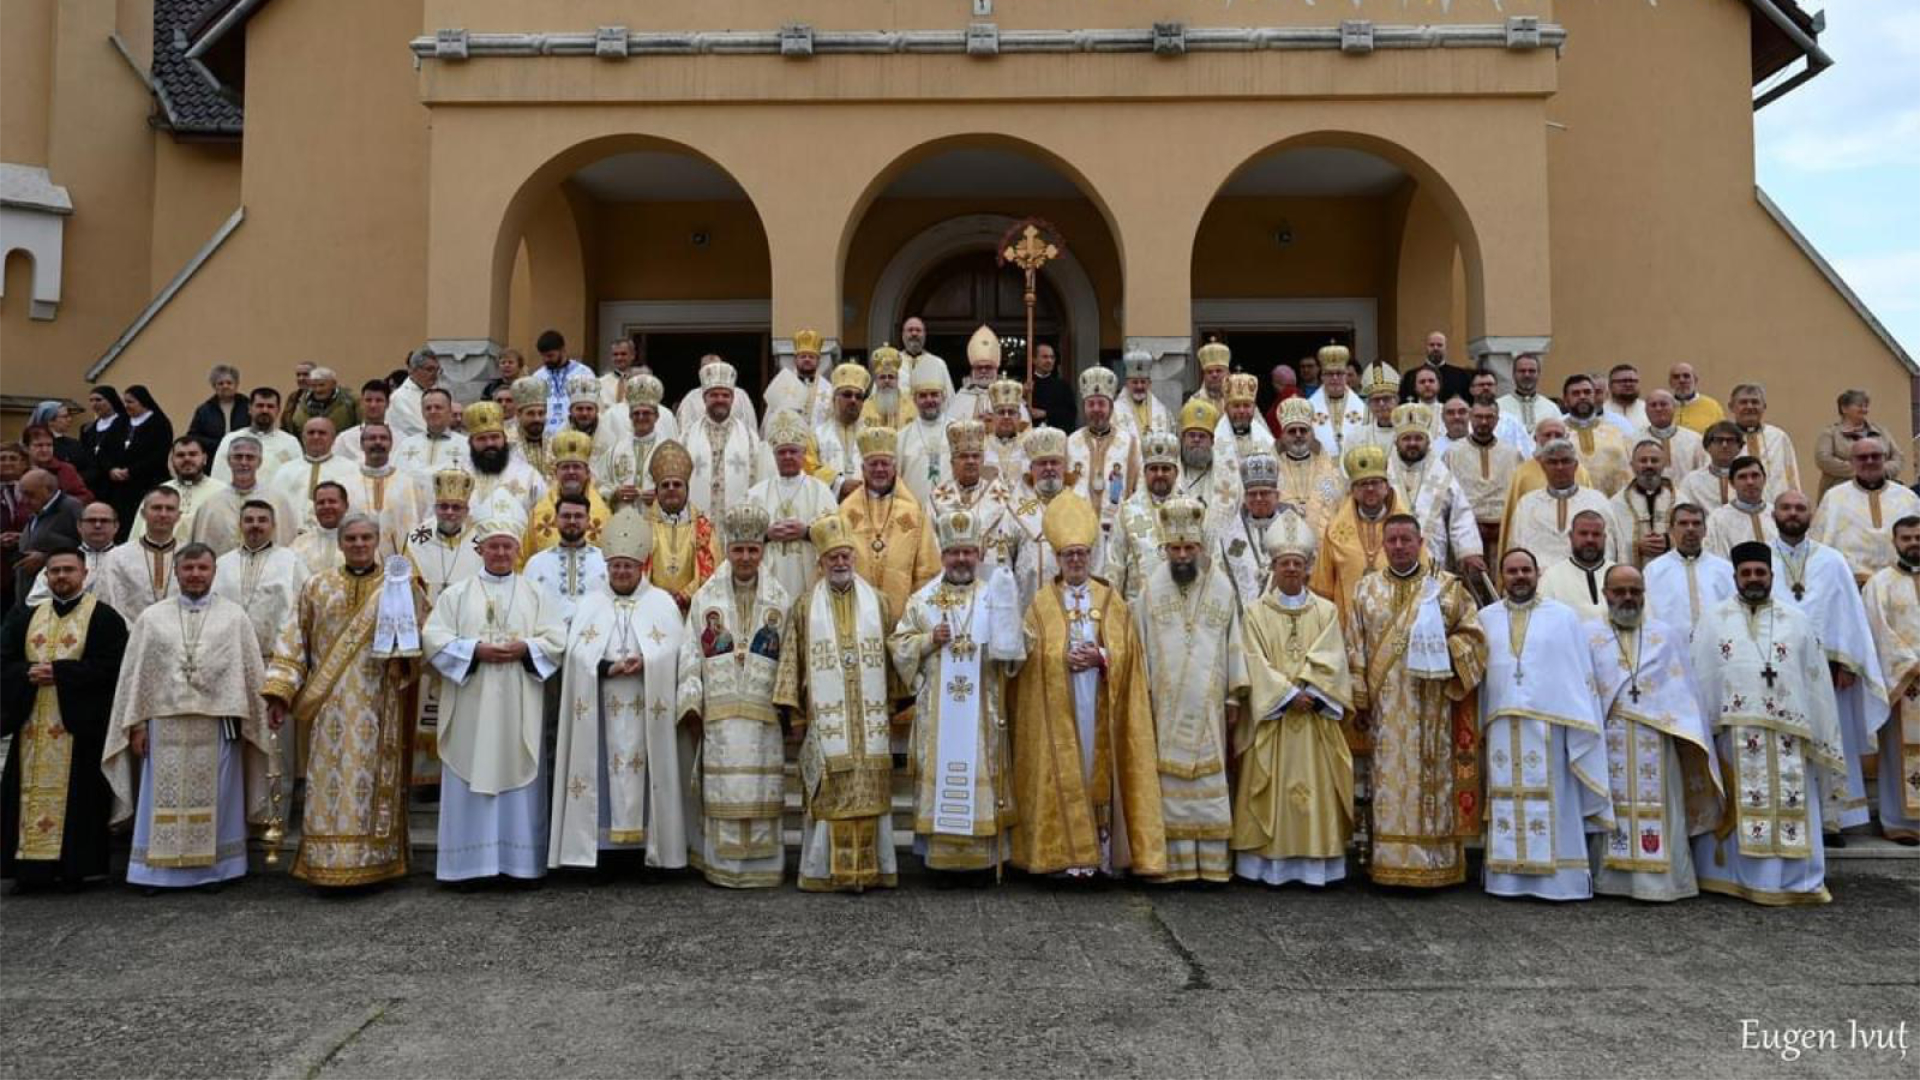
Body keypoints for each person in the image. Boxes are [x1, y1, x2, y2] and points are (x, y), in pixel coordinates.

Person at [1004, 492, 1164, 879]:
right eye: (1068, 555)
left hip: (1100, 701)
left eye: (1081, 554)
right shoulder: (1042, 602)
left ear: (1090, 556)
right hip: (1059, 706)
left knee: (1097, 769)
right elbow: (1027, 658)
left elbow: (1131, 654)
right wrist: (1058, 658)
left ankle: (1102, 856)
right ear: (1057, 559)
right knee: (1065, 767)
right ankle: (1062, 856)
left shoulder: (1111, 599)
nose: (1075, 561)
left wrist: (1103, 658)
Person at [263, 512, 426, 886]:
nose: (358, 545)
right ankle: (326, 862)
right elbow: (293, 641)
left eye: (366, 538)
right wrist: (280, 692)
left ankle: (378, 861)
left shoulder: (399, 585)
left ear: (377, 541)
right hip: (328, 708)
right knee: (328, 782)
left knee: (372, 782)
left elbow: (423, 637)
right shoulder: (317, 587)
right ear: (340, 543)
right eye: (351, 539)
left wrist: (408, 654)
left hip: (379, 703)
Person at [104, 543, 272, 890]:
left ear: (213, 572)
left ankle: (216, 870)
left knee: (220, 796)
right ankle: (155, 872)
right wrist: (135, 725)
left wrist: (251, 719)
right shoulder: (152, 618)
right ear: (178, 573)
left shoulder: (234, 616)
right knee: (158, 797)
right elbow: (137, 677)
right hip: (162, 723)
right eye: (189, 569)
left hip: (219, 722)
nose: (195, 574)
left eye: (203, 568)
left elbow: (249, 672)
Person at [1691, 542, 1848, 905]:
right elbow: (1703, 676)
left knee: (1789, 801)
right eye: (1746, 573)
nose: (1753, 579)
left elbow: (1815, 679)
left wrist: (1820, 728)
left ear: (1771, 576)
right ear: (1735, 577)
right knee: (1740, 802)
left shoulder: (1797, 620)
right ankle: (1735, 879)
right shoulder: (1714, 619)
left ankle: (1793, 879)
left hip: (1789, 733)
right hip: (1734, 731)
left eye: (1760, 573)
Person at [424, 514, 568, 884]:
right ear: (481, 549)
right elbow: (433, 638)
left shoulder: (535, 593)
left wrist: (526, 647)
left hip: (518, 703)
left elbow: (556, 639)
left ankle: (519, 866)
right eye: (494, 546)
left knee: (518, 770)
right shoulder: (457, 594)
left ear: (518, 550)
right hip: (472, 702)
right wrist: (474, 650)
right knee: (469, 767)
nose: (501, 552)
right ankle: (467, 867)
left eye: (507, 546)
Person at [1344, 514, 1488, 886]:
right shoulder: (1366, 589)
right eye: (1391, 540)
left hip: (1433, 706)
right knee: (1388, 784)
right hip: (1386, 710)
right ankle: (1388, 863)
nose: (1398, 547)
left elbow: (1473, 636)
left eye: (1406, 540)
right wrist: (1360, 695)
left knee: (1432, 781)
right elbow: (1354, 644)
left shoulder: (1446, 588)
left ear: (1420, 541)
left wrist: (1444, 649)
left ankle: (1435, 865)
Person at [549, 506, 689, 874]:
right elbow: (575, 653)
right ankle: (602, 851)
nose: (622, 572)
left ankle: (648, 851)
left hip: (647, 703)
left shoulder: (660, 603)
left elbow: (677, 649)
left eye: (629, 566)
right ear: (607, 567)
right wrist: (607, 667)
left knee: (648, 772)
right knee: (600, 772)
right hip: (600, 704)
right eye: (616, 566)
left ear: (641, 566)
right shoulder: (590, 603)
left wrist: (650, 660)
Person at [890, 507, 1026, 876]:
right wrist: (926, 640)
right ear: (943, 555)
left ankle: (982, 862)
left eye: (968, 551)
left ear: (978, 553)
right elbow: (899, 644)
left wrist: (1007, 641)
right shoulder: (923, 599)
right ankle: (940, 863)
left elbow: (1017, 651)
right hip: (939, 713)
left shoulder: (994, 595)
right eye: (954, 552)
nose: (961, 559)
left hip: (982, 712)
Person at [1584, 565, 1725, 901]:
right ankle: (1610, 881)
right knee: (1612, 806)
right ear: (1605, 594)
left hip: (1657, 737)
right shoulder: (1588, 635)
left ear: (1645, 594)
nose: (1628, 598)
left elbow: (1683, 691)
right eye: (1620, 591)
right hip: (1609, 735)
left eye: (1635, 591)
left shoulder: (1667, 634)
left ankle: (1663, 883)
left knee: (1663, 805)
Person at [1477, 549, 1611, 900]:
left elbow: (1577, 673)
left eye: (1526, 570)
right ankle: (1505, 879)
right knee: (1504, 796)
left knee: (1557, 798)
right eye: (1511, 571)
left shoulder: (1563, 617)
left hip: (1551, 725)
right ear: (1500, 575)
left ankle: (1560, 883)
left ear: (1538, 573)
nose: (1519, 576)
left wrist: (1579, 721)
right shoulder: (1485, 618)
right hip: (1502, 724)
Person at [676, 505, 798, 888]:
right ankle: (722, 867)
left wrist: (789, 707)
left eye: (753, 550)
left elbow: (791, 659)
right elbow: (690, 653)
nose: (745, 558)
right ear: (728, 550)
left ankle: (763, 868)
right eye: (738, 550)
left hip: (763, 714)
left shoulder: (781, 599)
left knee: (761, 790)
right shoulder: (705, 598)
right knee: (725, 788)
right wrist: (692, 700)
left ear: (762, 550)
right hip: (722, 714)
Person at [1232, 510, 1354, 887]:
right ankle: (1266, 865)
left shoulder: (1326, 610)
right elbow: (1251, 658)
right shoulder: (1253, 613)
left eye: (1297, 564)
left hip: (1313, 719)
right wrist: (1286, 695)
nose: (1290, 570)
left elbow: (1332, 655)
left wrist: (1310, 692)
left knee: (1314, 790)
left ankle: (1316, 865)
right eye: (1284, 563)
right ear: (1273, 567)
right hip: (1274, 719)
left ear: (1307, 568)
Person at [781, 513, 900, 891]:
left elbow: (894, 666)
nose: (840, 562)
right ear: (821, 563)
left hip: (869, 727)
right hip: (827, 726)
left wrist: (892, 706)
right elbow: (790, 666)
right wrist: (798, 720)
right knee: (829, 796)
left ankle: (874, 871)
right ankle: (825, 872)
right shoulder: (803, 608)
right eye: (832, 557)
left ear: (855, 557)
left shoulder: (878, 604)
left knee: (869, 795)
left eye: (845, 555)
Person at [1, 546, 129, 891]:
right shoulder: (25, 617)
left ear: (84, 574)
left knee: (80, 800)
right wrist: (26, 674)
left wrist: (61, 673)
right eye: (54, 571)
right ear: (46, 576)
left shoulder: (104, 618)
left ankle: (76, 869)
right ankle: (30, 872)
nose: (61, 576)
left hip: (79, 729)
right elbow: (4, 662)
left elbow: (114, 669)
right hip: (32, 725)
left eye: (68, 570)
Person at [1132, 497, 1245, 882]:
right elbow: (1140, 645)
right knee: (1169, 783)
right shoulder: (1149, 589)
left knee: (1210, 779)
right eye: (1175, 548)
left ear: (1200, 547)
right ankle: (1174, 865)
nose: (1182, 555)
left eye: (1189, 547)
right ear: (1165, 548)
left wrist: (1233, 696)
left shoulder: (1222, 588)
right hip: (1163, 706)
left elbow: (1234, 642)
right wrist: (1141, 694)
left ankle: (1210, 867)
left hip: (1210, 707)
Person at [1769, 490, 1889, 845]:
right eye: (1786, 507)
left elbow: (1848, 615)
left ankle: (1833, 819)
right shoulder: (1762, 557)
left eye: (1800, 508)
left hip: (1827, 673)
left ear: (1811, 515)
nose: (1793, 513)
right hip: (1777, 671)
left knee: (1831, 740)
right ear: (1774, 514)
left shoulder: (1833, 560)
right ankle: (1794, 816)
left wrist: (1849, 663)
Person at [212, 500, 308, 769]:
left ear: (273, 526)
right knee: (232, 747)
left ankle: (273, 812)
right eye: (249, 520)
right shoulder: (222, 563)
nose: (255, 526)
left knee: (275, 747)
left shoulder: (292, 561)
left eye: (262, 520)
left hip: (275, 667)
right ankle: (234, 811)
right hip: (230, 666)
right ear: (240, 525)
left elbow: (304, 612)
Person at [403, 470, 483, 790]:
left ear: (466, 509)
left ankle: (459, 773)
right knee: (425, 704)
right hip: (428, 634)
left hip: (466, 635)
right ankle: (425, 779)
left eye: (456, 507)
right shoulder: (418, 538)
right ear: (435, 507)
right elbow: (408, 585)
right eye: (444, 507)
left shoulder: (481, 540)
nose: (449, 513)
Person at [1859, 516, 1920, 844]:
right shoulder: (1879, 583)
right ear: (1895, 542)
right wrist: (1910, 664)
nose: (1914, 543)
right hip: (1903, 684)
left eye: (1918, 537)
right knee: (1900, 754)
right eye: (1907, 537)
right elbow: (1877, 630)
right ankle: (1901, 822)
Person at [1311, 446, 1417, 626]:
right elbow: (1323, 588)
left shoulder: (1408, 529)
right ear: (1352, 490)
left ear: (1386, 487)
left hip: (1398, 626)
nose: (1369, 488)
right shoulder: (1335, 533)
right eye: (1362, 484)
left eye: (1375, 482)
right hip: (1350, 626)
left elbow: (1422, 577)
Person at [842, 427, 940, 617]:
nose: (879, 469)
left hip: (903, 618)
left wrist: (918, 616)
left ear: (895, 468)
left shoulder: (914, 514)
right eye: (873, 464)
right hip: (856, 616)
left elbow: (926, 571)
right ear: (862, 469)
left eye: (885, 464)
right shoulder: (846, 512)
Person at [1386, 404, 1484, 583]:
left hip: (1433, 559)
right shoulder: (1384, 474)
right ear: (1396, 442)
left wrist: (1468, 551)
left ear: (1428, 442)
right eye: (1406, 438)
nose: (1412, 443)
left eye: (1418, 438)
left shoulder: (1441, 474)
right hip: (1391, 555)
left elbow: (1460, 514)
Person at [748, 411, 839, 602]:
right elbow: (740, 538)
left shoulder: (820, 491)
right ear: (774, 455)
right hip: (769, 580)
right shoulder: (756, 493)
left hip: (807, 575)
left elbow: (836, 535)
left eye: (793, 451)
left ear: (803, 453)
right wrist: (765, 534)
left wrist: (807, 532)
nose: (787, 456)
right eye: (782, 452)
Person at [1811, 438, 1920, 582]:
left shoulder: (1907, 497)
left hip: (1899, 585)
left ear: (1884, 459)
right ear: (1852, 462)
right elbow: (1818, 545)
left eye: (1875, 456)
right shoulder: (1834, 498)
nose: (1869, 461)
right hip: (1851, 586)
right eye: (1862, 457)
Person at [1502, 439, 1625, 567]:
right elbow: (1516, 547)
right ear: (1543, 466)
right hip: (1541, 581)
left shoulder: (1597, 501)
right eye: (1553, 462)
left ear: (1575, 465)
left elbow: (1614, 548)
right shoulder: (1527, 504)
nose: (1560, 467)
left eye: (1565, 461)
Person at [682, 359, 770, 520]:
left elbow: (762, 483)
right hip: (697, 525)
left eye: (725, 395)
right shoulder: (687, 437)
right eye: (714, 395)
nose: (720, 399)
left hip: (739, 526)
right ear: (704, 398)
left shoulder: (750, 438)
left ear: (732, 398)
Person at [641, 440, 720, 614]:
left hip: (692, 612)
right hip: (652, 610)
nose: (671, 489)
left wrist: (684, 596)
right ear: (656, 492)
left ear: (687, 489)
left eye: (677, 484)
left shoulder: (703, 527)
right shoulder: (643, 528)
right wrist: (658, 600)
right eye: (665, 485)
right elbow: (637, 572)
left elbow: (712, 573)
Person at [1067, 366, 1140, 554]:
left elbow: (1137, 491)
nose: (1096, 409)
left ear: (1111, 407)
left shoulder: (1129, 444)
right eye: (1091, 404)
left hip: (1116, 534)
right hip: (1078, 537)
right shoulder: (1069, 443)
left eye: (1101, 403)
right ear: (1084, 407)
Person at [1106, 430, 1182, 605]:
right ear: (1144, 473)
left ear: (1176, 473)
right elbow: (1114, 566)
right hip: (1137, 613)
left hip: (1180, 613)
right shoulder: (1127, 511)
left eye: (1166, 468)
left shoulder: (1191, 508)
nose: (1160, 474)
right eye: (1154, 469)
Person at [193, 436, 299, 555]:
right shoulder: (211, 505)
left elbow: (287, 546)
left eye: (250, 457)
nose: (243, 462)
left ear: (259, 462)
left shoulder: (277, 501)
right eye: (238, 457)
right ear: (229, 461)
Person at [1445, 400, 1524, 557]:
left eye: (1489, 417)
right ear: (1470, 418)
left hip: (1503, 529)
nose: (1483, 422)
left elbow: (1519, 493)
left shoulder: (1512, 454)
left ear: (1497, 420)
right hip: (1467, 529)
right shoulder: (1453, 453)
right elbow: (1446, 493)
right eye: (1478, 416)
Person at [521, 431, 611, 567]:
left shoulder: (604, 514)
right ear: (556, 472)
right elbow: (523, 559)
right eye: (565, 467)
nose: (571, 472)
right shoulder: (539, 512)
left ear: (587, 473)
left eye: (576, 467)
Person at [95, 487, 184, 621]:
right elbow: (110, 603)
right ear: (143, 513)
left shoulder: (189, 556)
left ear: (178, 515)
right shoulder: (117, 557)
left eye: (170, 509)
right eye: (156, 508)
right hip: (131, 635)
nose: (163, 514)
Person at [1644, 503, 1734, 635]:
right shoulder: (1654, 570)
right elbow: (1648, 615)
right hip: (1671, 650)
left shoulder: (1724, 569)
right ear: (1671, 530)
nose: (1690, 529)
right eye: (1683, 523)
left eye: (1696, 523)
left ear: (1705, 530)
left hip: (1715, 647)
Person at [523, 493, 608, 628]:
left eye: (578, 516)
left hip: (593, 641)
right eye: (566, 516)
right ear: (556, 520)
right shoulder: (536, 564)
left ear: (588, 520)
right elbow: (526, 610)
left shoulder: (605, 562)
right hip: (548, 643)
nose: (572, 521)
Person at [129, 437, 226, 549]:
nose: (187, 459)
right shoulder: (157, 493)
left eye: (193, 454)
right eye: (180, 455)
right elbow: (136, 538)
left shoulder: (222, 491)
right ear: (172, 461)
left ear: (204, 459)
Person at [104, 385, 174, 539]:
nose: (127, 406)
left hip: (147, 483)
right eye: (125, 402)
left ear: (142, 402)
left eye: (131, 402)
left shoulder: (159, 423)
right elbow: (105, 450)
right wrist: (111, 469)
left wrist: (132, 471)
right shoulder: (120, 422)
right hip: (119, 487)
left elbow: (159, 454)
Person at [1272, 397, 1347, 537]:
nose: (1298, 435)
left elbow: (1338, 505)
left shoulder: (1329, 469)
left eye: (1303, 430)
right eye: (1292, 431)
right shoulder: (1273, 469)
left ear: (1312, 434)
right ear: (1282, 435)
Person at [268, 417, 358, 533]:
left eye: (322, 433)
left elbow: (354, 507)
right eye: (311, 433)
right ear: (303, 437)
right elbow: (277, 509)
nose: (316, 437)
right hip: (293, 539)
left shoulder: (350, 469)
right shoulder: (285, 471)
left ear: (333, 438)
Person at [560, 374, 637, 504]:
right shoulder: (560, 437)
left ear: (597, 410)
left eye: (589, 409)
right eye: (579, 409)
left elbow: (620, 473)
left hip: (604, 501)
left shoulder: (612, 434)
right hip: (569, 500)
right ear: (570, 410)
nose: (584, 413)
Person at [23, 501, 118, 607]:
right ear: (79, 526)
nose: (97, 525)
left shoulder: (127, 559)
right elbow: (35, 600)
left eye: (104, 521)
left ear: (116, 526)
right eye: (91, 520)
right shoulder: (61, 560)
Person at [9, 470, 82, 604]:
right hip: (26, 598)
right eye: (22, 494)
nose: (24, 500)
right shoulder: (37, 509)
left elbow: (87, 549)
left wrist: (46, 558)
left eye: (30, 495)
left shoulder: (71, 507)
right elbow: (47, 539)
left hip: (53, 600)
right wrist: (22, 538)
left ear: (49, 490)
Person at [464, 401, 547, 518]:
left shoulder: (530, 477)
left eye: (495, 437)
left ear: (505, 438)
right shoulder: (459, 475)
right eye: (481, 438)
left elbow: (543, 519)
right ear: (470, 442)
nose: (489, 443)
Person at [1218, 454, 1282, 604]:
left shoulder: (1293, 530)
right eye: (1252, 494)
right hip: (1245, 620)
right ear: (1245, 498)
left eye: (1264, 493)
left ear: (1277, 496)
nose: (1258, 498)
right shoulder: (1229, 537)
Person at [1536, 509, 1617, 622]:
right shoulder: (1551, 578)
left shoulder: (1619, 575)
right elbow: (1543, 622)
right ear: (1571, 536)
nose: (1590, 539)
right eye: (1583, 533)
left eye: (1596, 534)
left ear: (1604, 537)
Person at [212, 388, 303, 484]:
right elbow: (218, 478)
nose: (265, 410)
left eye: (270, 406)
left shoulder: (290, 442)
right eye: (260, 406)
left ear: (278, 411)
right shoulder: (231, 439)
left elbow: (298, 479)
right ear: (250, 409)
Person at [1727, 383, 1801, 502]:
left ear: (1764, 406)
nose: (1750, 406)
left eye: (1755, 402)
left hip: (1774, 510)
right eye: (1743, 402)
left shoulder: (1779, 437)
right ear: (1731, 407)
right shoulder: (1722, 440)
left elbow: (1792, 476)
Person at [1559, 373, 1630, 495]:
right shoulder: (1556, 434)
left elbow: (1628, 470)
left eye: (1587, 392)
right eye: (1576, 393)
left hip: (1611, 503)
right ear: (1565, 400)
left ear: (1594, 396)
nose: (1582, 397)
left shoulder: (1615, 432)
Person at [896, 358, 955, 506]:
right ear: (914, 399)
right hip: (914, 514)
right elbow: (896, 481)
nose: (929, 400)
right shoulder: (902, 437)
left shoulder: (957, 431)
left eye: (934, 394)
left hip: (953, 514)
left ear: (943, 396)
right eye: (923, 395)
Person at [1610, 440, 1676, 570]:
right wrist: (1636, 546)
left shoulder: (1681, 501)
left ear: (1664, 464)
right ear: (1632, 465)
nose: (1649, 465)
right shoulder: (1616, 504)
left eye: (1654, 460)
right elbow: (1611, 543)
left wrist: (1669, 542)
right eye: (1643, 461)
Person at [814, 362, 870, 498]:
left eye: (858, 397)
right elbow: (809, 469)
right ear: (834, 399)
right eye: (847, 394)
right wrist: (839, 484)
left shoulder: (872, 436)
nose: (853, 400)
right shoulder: (816, 435)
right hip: (828, 507)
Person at [528, 329, 596, 440]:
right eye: (543, 356)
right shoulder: (538, 376)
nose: (546, 360)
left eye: (550, 356)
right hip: (545, 436)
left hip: (576, 434)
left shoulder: (583, 373)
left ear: (563, 350)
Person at [1704, 456, 1776, 558]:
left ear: (1764, 479)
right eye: (1742, 477)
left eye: (1755, 476)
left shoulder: (1778, 515)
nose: (1750, 482)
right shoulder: (1718, 519)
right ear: (1732, 483)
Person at [622, 372, 677, 505]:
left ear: (657, 416)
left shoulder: (671, 451)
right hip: (624, 520)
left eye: (646, 413)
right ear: (630, 416)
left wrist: (661, 495)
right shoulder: (615, 451)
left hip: (658, 520)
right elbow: (600, 485)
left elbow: (683, 487)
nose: (641, 417)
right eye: (636, 413)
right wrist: (615, 493)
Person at [394, 388, 468, 478]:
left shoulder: (466, 445)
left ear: (449, 411)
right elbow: (395, 479)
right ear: (422, 412)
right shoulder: (406, 445)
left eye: (438, 407)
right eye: (428, 408)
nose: (433, 411)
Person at [1639, 389, 1705, 486]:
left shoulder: (1694, 440)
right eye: (1653, 405)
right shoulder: (1632, 440)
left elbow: (1702, 472)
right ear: (1646, 410)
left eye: (1663, 404)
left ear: (1674, 407)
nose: (1658, 409)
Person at [1678, 420, 1743, 513]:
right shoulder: (1691, 481)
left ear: (1739, 448)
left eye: (1730, 440)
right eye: (1719, 440)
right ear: (1707, 446)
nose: (1724, 445)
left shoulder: (1749, 478)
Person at [185, 364, 248, 460]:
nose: (225, 386)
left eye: (229, 383)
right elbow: (193, 436)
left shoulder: (248, 406)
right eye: (220, 383)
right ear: (214, 386)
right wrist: (219, 444)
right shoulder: (204, 410)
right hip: (214, 458)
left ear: (236, 384)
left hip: (244, 456)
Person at [1215, 372, 1277, 468]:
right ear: (1226, 408)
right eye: (1236, 406)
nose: (1242, 410)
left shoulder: (1267, 442)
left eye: (1247, 406)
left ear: (1254, 408)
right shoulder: (1213, 442)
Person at [1398, 330, 1474, 404]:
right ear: (1426, 347)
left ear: (1445, 348)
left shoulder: (1461, 375)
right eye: (1432, 345)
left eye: (1439, 345)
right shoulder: (1411, 376)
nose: (1435, 348)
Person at [291, 482, 349, 577]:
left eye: (332, 501)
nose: (326, 506)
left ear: (346, 505)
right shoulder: (299, 545)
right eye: (321, 503)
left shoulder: (359, 541)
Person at [1112, 350, 1172, 440]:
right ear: (1127, 383)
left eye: (1143, 382)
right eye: (1135, 382)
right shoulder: (1114, 412)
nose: (1139, 386)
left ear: (1149, 383)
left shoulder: (1162, 411)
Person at [329, 380, 392, 465]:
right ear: (362, 402)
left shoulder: (400, 438)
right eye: (368, 400)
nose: (373, 405)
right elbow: (335, 468)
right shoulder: (344, 439)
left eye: (379, 400)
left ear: (387, 403)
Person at [1496, 353, 1563, 435]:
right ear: (1513, 374)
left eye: (1531, 371)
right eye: (1522, 371)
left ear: (1538, 374)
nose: (1527, 375)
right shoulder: (1499, 406)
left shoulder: (1551, 408)